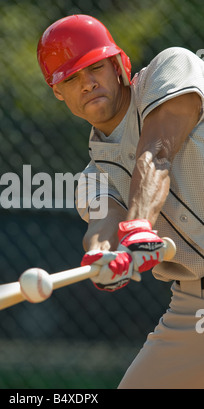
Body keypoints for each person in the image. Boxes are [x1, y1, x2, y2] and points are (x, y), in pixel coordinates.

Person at [37, 14, 204, 389]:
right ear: (58, 92)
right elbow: (103, 226)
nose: (87, 83)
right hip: (196, 304)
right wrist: (103, 259)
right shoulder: (92, 179)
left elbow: (157, 151)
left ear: (119, 65)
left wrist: (139, 225)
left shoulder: (172, 68)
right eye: (71, 78)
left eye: (95, 67)